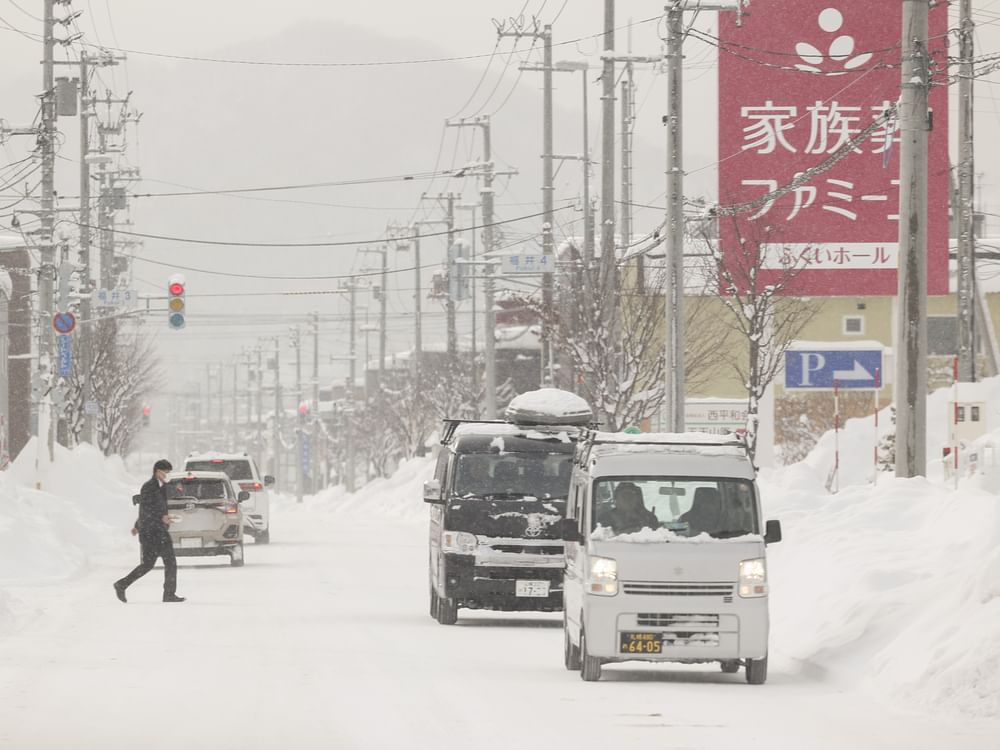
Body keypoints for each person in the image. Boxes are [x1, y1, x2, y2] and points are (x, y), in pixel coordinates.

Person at [113, 459, 186, 603]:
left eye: (168, 472)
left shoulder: (163, 487)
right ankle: (121, 584)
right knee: (148, 565)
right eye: (166, 472)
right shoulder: (148, 487)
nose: (167, 475)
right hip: (151, 533)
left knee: (169, 562)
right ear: (157, 471)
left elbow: (156, 508)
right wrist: (161, 518)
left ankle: (169, 594)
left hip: (159, 531)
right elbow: (146, 510)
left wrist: (164, 517)